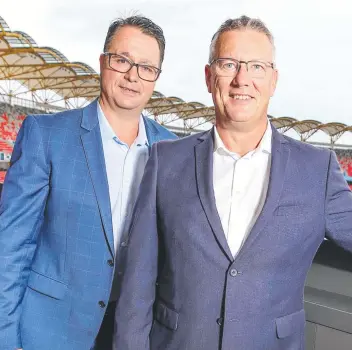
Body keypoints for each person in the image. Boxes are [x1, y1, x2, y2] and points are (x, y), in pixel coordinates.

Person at [114, 15, 352, 350]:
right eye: (229, 64)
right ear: (209, 77)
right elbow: (137, 283)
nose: (242, 79)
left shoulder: (318, 169)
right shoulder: (165, 160)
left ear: (273, 80)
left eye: (256, 67)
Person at [0, 15, 176, 350]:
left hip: (132, 334)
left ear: (155, 77)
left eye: (146, 67)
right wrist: (6, 339)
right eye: (122, 60)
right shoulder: (46, 135)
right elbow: (10, 248)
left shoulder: (172, 150)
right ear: (103, 62)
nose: (132, 76)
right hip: (50, 329)